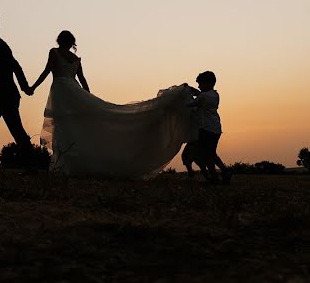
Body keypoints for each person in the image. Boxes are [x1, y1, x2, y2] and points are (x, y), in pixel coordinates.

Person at [31, 30, 193, 177]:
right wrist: (88, 98)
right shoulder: (75, 59)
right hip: (74, 91)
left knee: (63, 125)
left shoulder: (54, 52)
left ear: (59, 40)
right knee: (72, 125)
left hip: (61, 91)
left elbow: (47, 71)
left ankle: (63, 165)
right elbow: (82, 80)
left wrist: (32, 87)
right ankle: (65, 165)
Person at [0, 15, 34, 175]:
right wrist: (24, 88)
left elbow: (15, 66)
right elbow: (15, 67)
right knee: (14, 130)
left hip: (1, 96)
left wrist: (25, 87)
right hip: (2, 95)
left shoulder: (0, 46)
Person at [187, 71, 231, 184]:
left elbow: (191, 103)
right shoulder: (214, 95)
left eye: (200, 84)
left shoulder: (203, 96)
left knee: (207, 155)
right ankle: (224, 171)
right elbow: (200, 95)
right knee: (211, 153)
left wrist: (181, 96)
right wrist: (192, 90)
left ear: (207, 84)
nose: (199, 86)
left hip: (206, 128)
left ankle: (215, 177)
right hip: (215, 128)